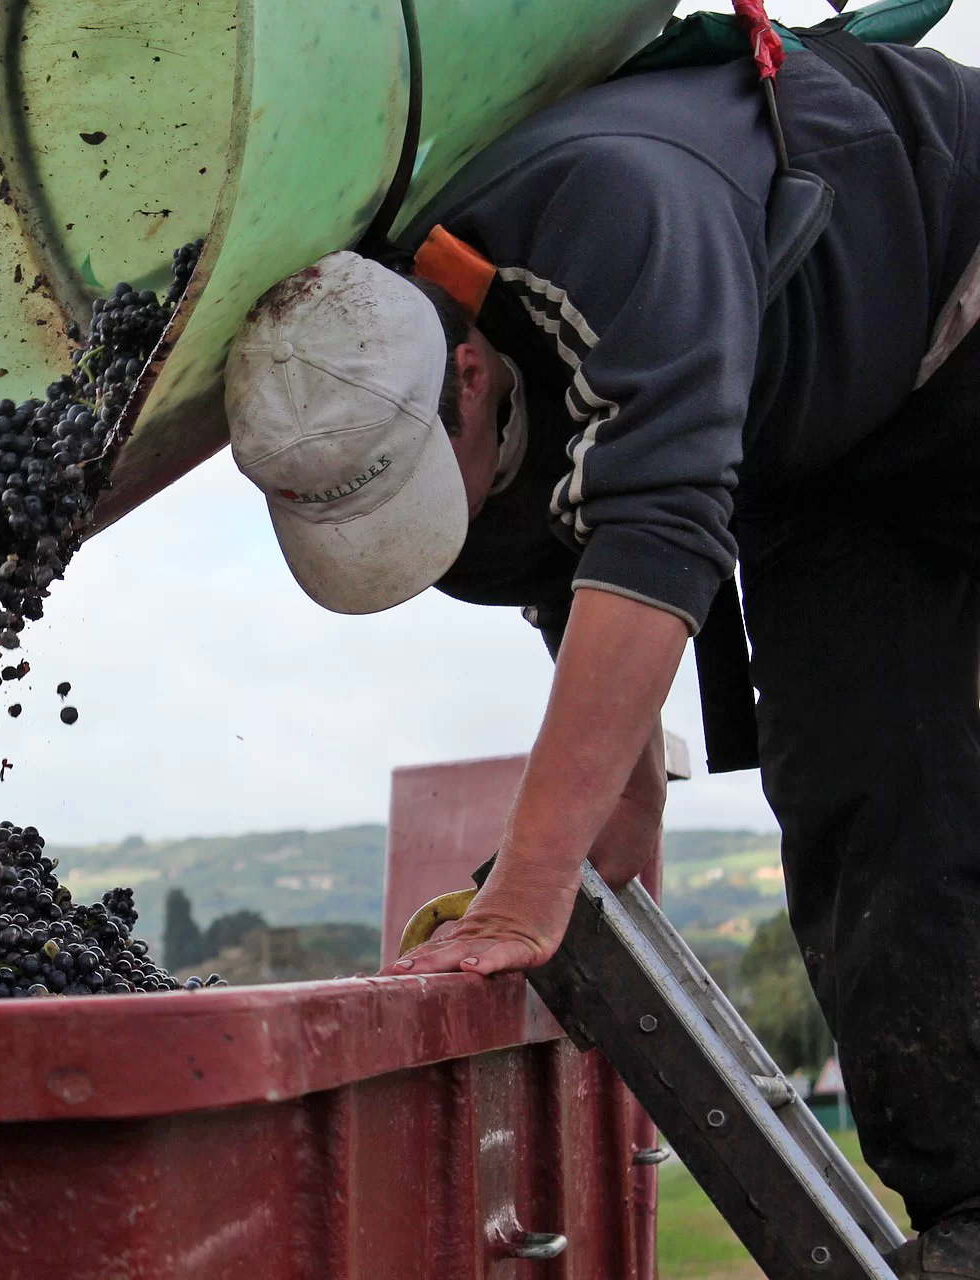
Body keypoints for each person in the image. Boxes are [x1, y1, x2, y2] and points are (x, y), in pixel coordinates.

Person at [221, 33, 980, 1275]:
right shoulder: (413, 417)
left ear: (468, 370)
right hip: (824, 444)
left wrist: (532, 882)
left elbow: (660, 535)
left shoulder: (614, 214)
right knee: (862, 790)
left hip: (953, 272)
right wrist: (619, 813)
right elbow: (579, 566)